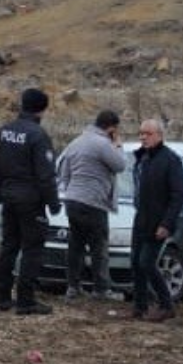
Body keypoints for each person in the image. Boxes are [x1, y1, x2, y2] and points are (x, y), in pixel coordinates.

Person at [0, 88, 61, 315]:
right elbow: (46, 175)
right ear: (42, 109)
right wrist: (53, 203)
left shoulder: (4, 131)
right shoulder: (38, 135)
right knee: (32, 248)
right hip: (31, 201)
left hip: (9, 197)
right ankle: (26, 300)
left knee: (9, 245)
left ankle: (2, 296)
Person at [56, 110, 128, 301]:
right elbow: (120, 165)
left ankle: (73, 287)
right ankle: (102, 289)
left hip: (72, 200)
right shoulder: (102, 143)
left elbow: (63, 172)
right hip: (93, 202)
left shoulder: (76, 142)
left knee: (76, 245)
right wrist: (118, 145)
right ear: (111, 128)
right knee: (99, 247)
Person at [130, 119, 183, 322]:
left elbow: (178, 196)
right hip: (141, 219)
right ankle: (140, 307)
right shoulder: (143, 158)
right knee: (135, 263)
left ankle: (166, 305)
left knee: (146, 262)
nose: (143, 137)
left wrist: (166, 223)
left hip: (159, 222)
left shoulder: (171, 160)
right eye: (141, 133)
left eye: (148, 133)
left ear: (159, 135)